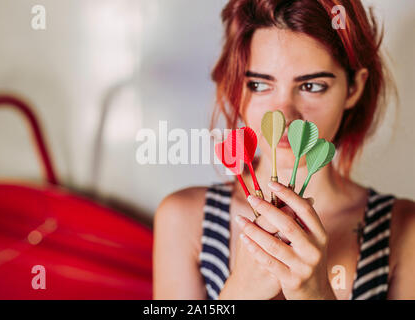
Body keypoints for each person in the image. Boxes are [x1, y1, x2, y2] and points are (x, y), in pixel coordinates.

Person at [153, 0, 415, 300]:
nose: (285, 115)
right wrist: (241, 291)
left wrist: (315, 294)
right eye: (259, 85)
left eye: (312, 86)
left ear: (354, 88)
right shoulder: (186, 218)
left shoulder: (404, 229)